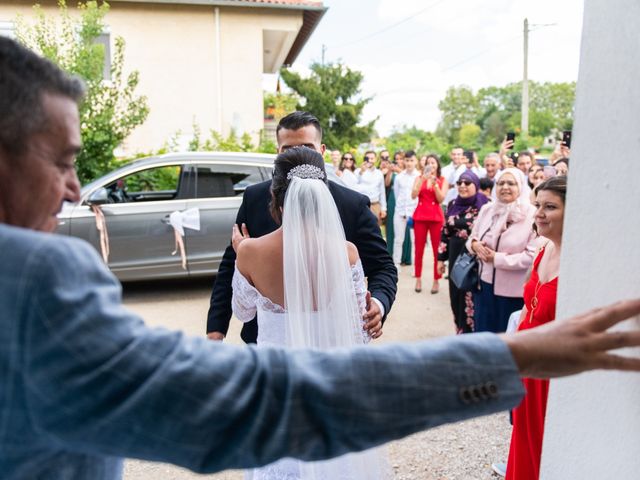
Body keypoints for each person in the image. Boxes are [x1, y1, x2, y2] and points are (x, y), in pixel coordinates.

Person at [3, 37, 640, 480]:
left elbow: (379, 269)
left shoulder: (349, 209)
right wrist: (510, 358)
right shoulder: (31, 277)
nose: (70, 187)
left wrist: (378, 304)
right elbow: (255, 399)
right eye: (61, 160)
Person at [232, 147, 390, 480]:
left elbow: (243, 312)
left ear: (275, 197)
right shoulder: (346, 253)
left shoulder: (250, 252)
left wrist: (240, 253)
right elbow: (359, 332)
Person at [207, 113, 397, 343]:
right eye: (288, 149)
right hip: (263, 339)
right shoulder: (255, 197)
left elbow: (383, 266)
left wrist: (377, 304)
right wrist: (216, 328)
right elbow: (230, 265)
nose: (299, 155)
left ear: (322, 150)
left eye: (307, 146)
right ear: (278, 153)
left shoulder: (352, 204)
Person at [506, 176, 567, 480]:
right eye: (538, 205)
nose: (539, 213)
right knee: (523, 440)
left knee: (545, 446)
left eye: (550, 207)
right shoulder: (544, 249)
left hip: (551, 373)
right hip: (526, 364)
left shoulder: (578, 263)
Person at [467, 168, 538, 333]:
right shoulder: (487, 209)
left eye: (511, 183)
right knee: (483, 334)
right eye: (500, 183)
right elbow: (472, 238)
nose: (505, 187)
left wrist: (496, 258)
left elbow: (531, 255)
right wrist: (475, 245)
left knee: (505, 338)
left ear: (521, 187)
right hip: (483, 286)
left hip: (512, 292)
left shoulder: (532, 215)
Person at [438, 171, 489, 333]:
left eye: (467, 183)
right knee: (456, 295)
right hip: (455, 254)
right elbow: (445, 231)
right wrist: (440, 259)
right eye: (460, 182)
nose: (462, 186)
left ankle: (471, 334)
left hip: (474, 257)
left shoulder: (485, 206)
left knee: (470, 296)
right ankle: (460, 330)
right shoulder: (453, 204)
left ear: (476, 185)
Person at [412, 153, 448, 294]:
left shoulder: (442, 180)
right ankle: (418, 278)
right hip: (420, 215)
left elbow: (441, 199)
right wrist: (423, 180)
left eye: (433, 163)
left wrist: (435, 185)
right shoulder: (419, 178)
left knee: (436, 250)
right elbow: (413, 195)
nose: (431, 165)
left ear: (437, 165)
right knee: (418, 249)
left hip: (435, 216)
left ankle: (436, 280)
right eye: (428, 162)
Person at [392, 150, 420, 268]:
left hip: (414, 213)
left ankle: (415, 266)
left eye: (411, 160)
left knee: (415, 240)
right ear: (404, 161)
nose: (409, 163)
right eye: (407, 160)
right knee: (398, 239)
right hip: (400, 212)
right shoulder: (399, 177)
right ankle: (396, 264)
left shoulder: (419, 176)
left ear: (416, 161)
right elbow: (397, 194)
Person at [357, 150, 387, 224]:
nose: (370, 160)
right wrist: (361, 172)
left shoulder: (379, 173)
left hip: (375, 205)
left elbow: (382, 192)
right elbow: (355, 185)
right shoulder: (358, 171)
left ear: (376, 159)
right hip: (362, 205)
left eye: (372, 158)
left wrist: (383, 209)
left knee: (376, 230)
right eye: (367, 158)